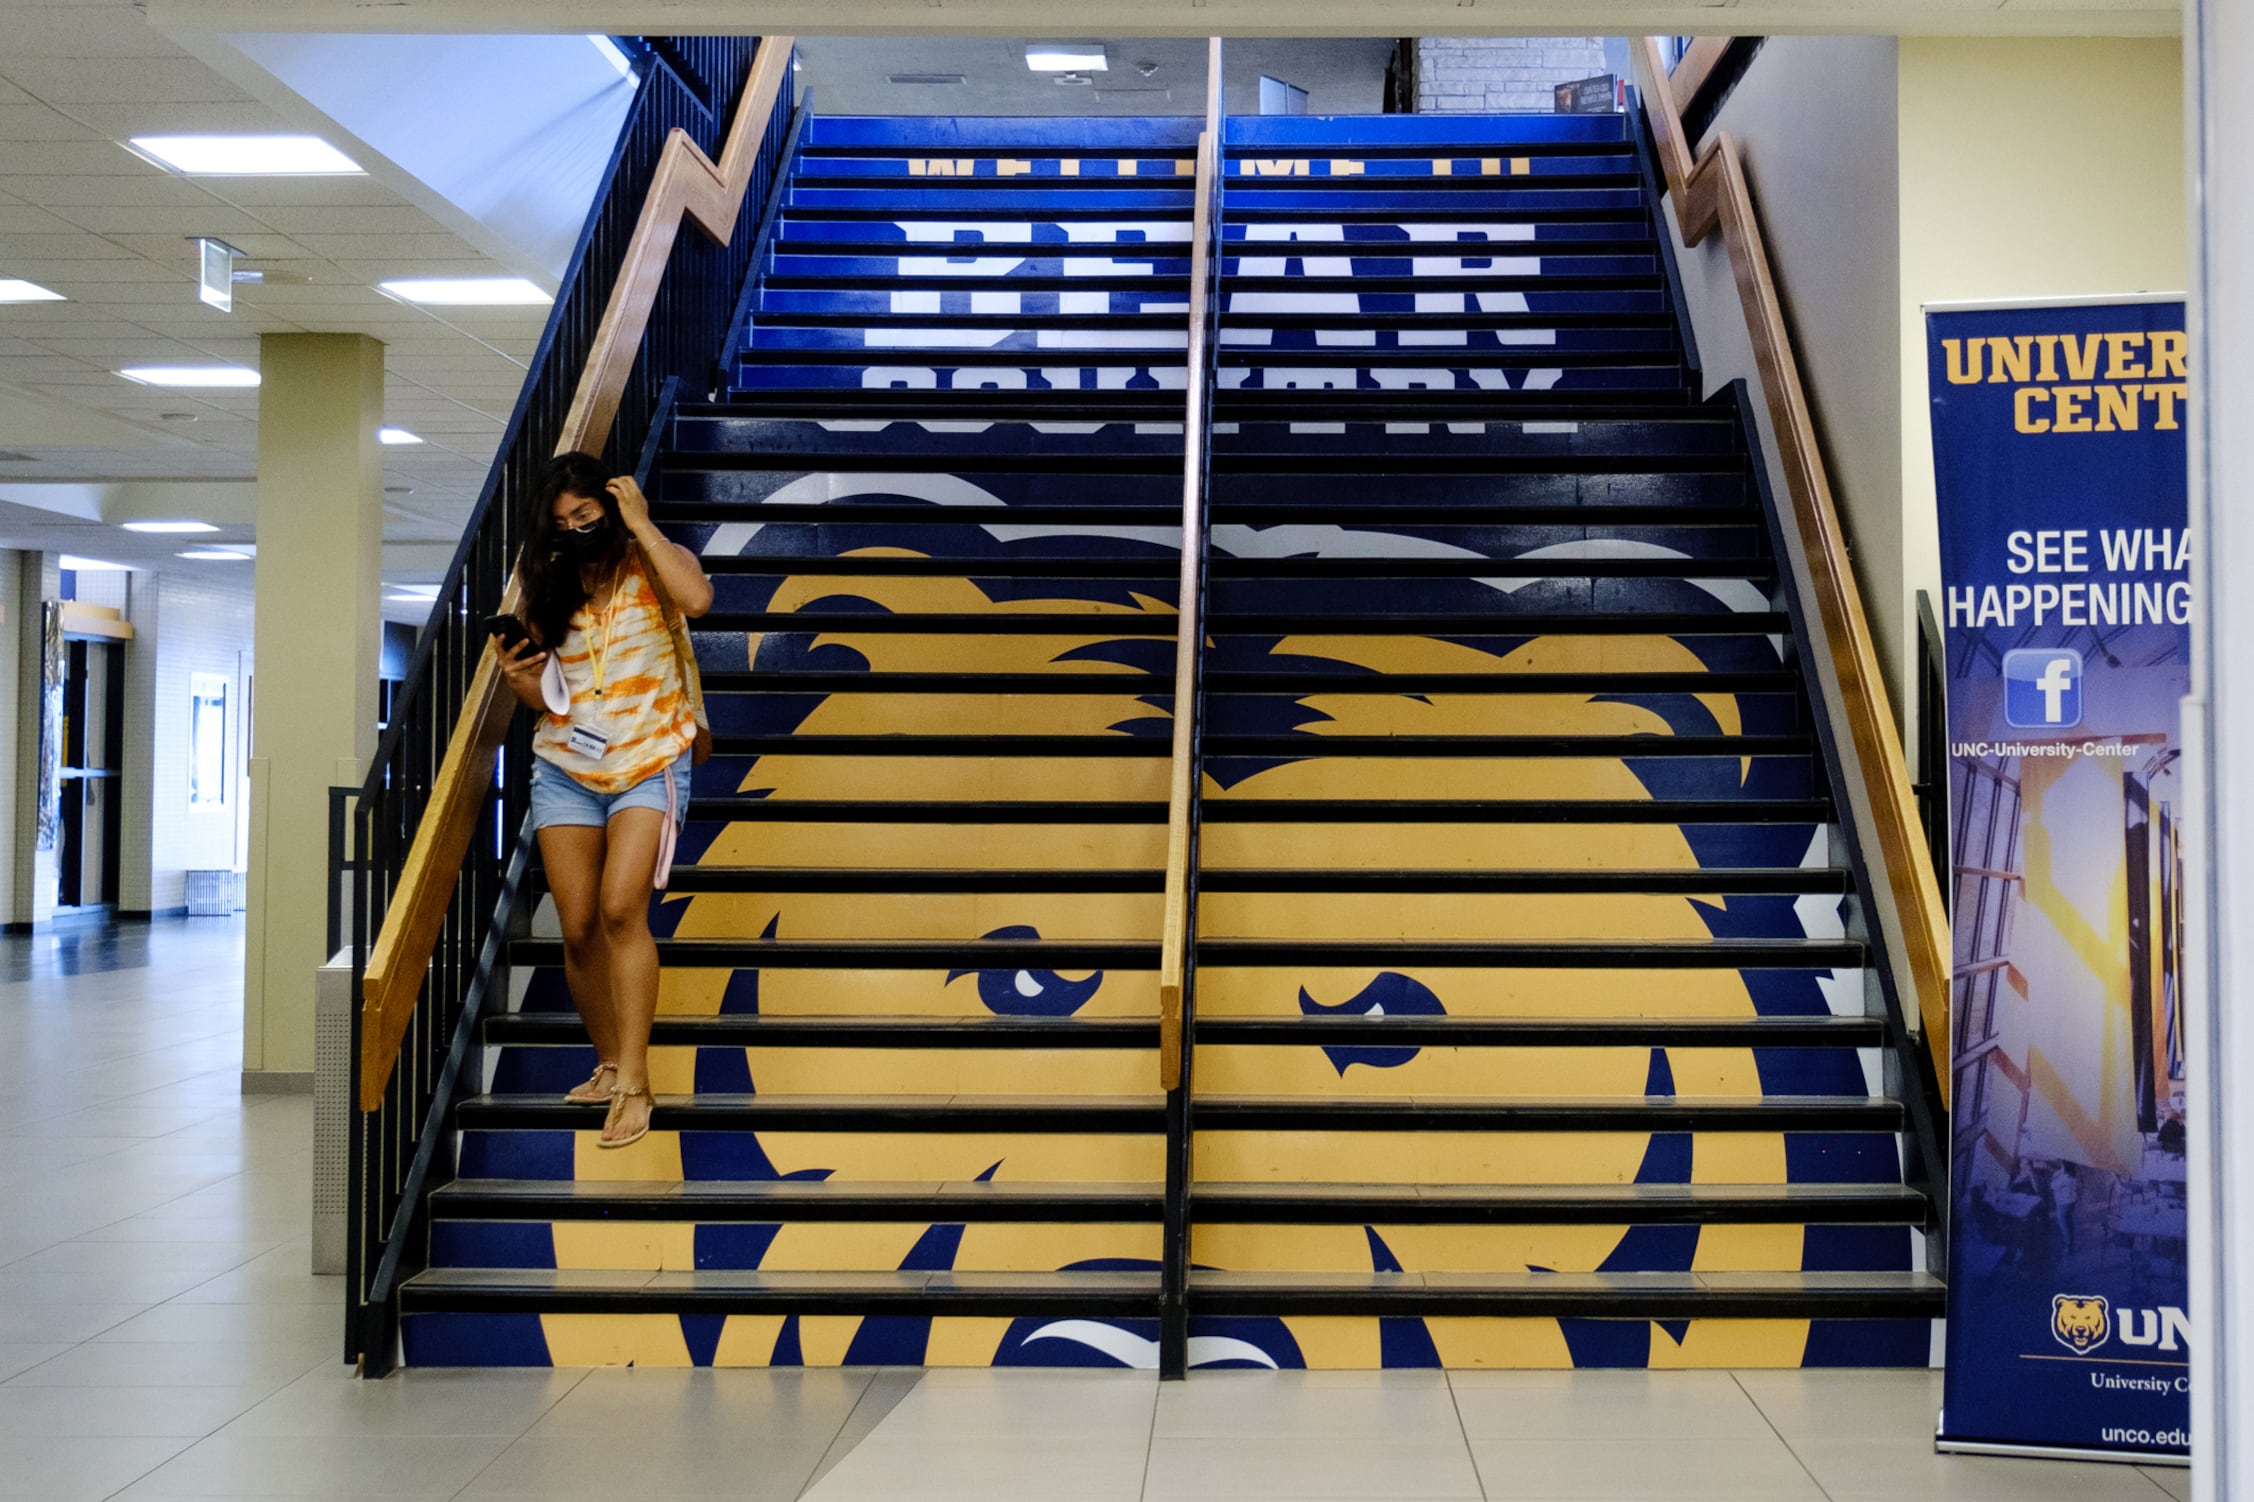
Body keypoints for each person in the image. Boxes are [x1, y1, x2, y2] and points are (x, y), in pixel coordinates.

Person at [496, 452, 713, 1147]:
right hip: (567, 766)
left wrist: (641, 523)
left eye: (585, 515)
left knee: (622, 908)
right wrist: (518, 679)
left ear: (610, 507)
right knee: (579, 925)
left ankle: (636, 1084)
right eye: (561, 522)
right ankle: (609, 1061)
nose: (574, 530)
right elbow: (548, 698)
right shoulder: (547, 584)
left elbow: (698, 600)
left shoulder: (654, 561)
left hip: (650, 759)